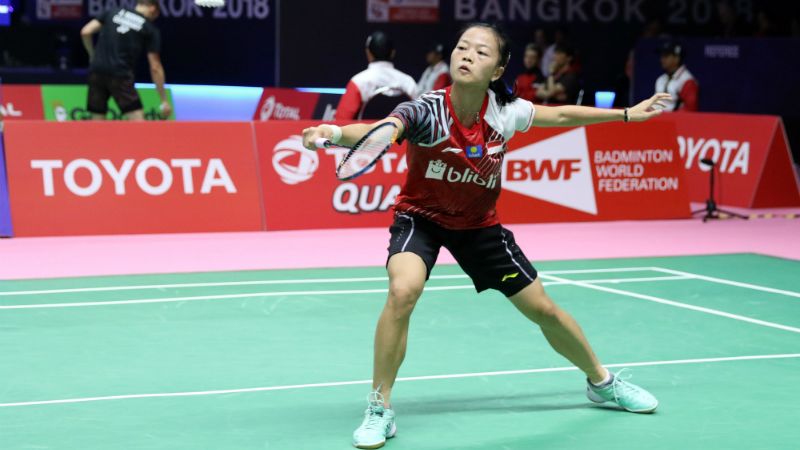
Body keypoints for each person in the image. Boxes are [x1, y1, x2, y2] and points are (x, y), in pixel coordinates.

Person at [303, 23, 670, 450]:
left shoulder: (505, 112)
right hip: (421, 218)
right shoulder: (426, 110)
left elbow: (561, 115)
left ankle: (602, 383)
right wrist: (331, 133)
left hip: (479, 227)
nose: (467, 55)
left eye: (481, 52)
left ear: (497, 70)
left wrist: (626, 114)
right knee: (402, 291)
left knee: (544, 310)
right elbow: (382, 129)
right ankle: (379, 407)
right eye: (463, 47)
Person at [80, 0, 170, 121]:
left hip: (96, 71)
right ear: (153, 9)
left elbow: (85, 32)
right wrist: (164, 99)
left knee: (97, 121)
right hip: (120, 75)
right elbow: (155, 67)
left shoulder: (112, 12)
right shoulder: (150, 28)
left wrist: (92, 54)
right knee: (138, 123)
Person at [335, 31, 417, 120]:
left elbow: (341, 120)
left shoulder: (358, 81)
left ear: (368, 53)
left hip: (368, 129)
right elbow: (422, 117)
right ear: (392, 53)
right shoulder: (408, 82)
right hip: (404, 129)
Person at [654, 42, 698, 112]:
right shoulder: (660, 79)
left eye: (666, 56)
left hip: (676, 118)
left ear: (677, 58)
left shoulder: (687, 80)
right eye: (662, 56)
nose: (662, 59)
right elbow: (654, 105)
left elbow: (689, 111)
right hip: (658, 117)